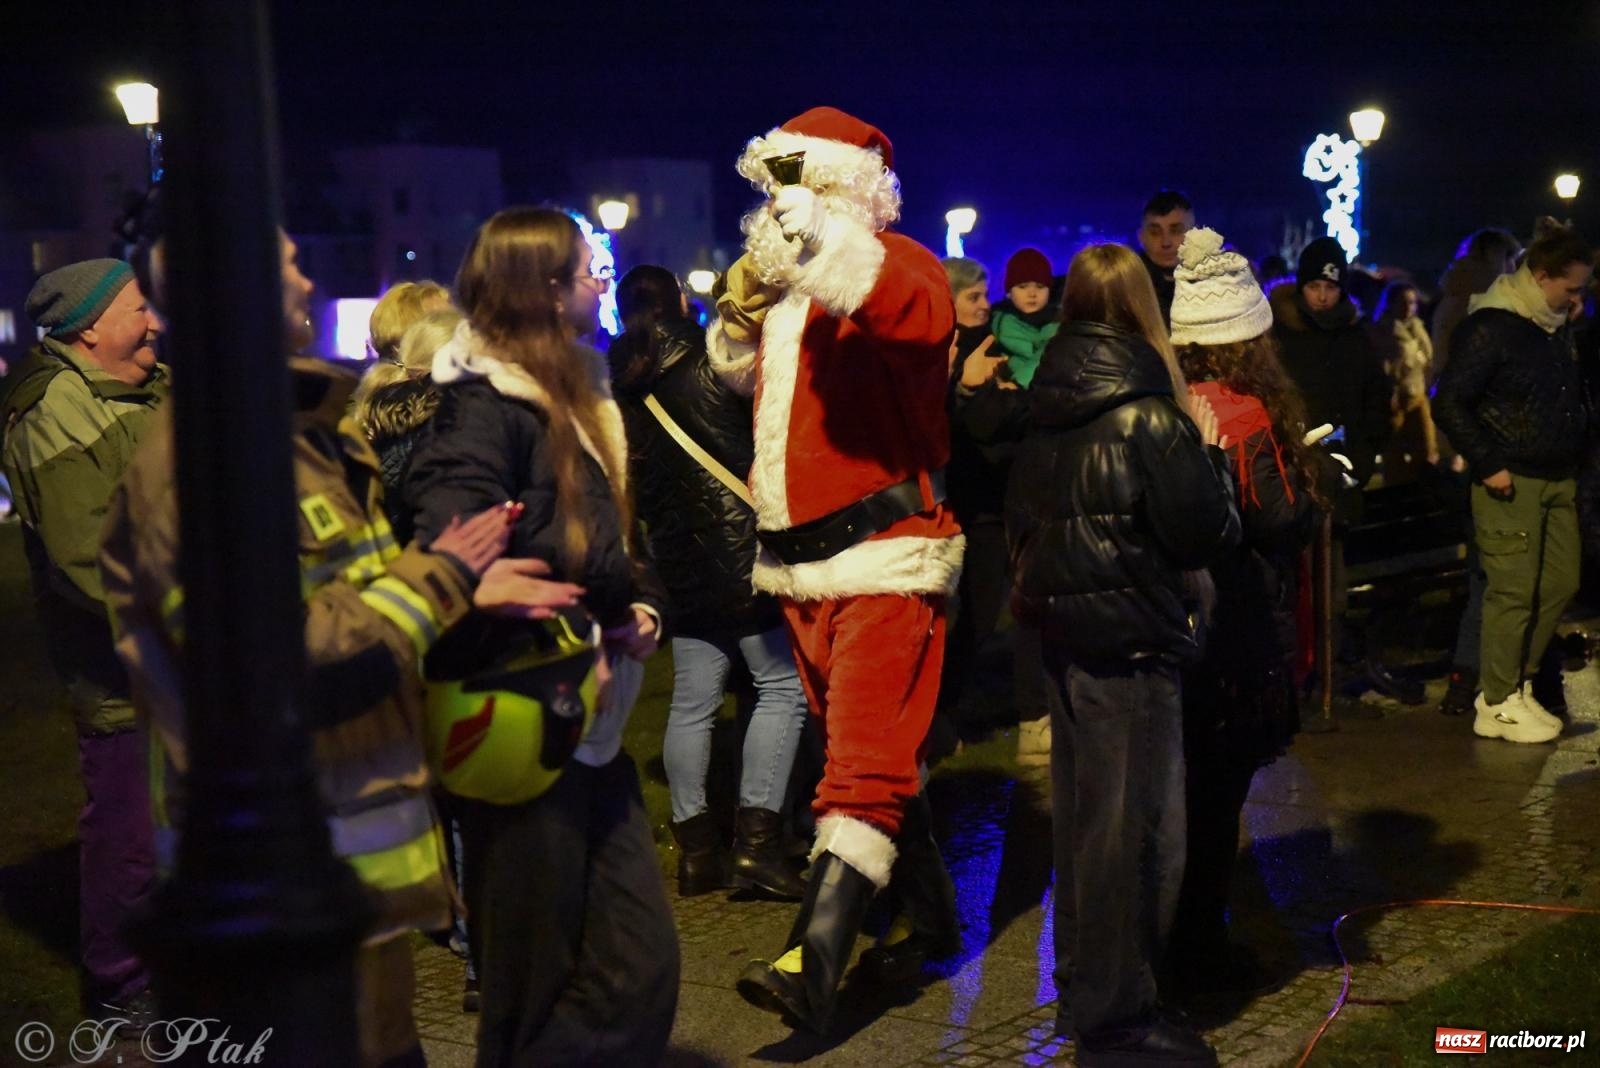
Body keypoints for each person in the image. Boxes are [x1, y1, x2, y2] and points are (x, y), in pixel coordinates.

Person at [99, 230, 561, 1067]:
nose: (309, 280)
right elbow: (278, 662)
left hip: (346, 893)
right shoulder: (202, 468)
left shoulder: (301, 439)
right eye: (286, 266)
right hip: (279, 902)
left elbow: (350, 599)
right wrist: (443, 575)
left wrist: (461, 587)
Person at [404, 207, 679, 1065]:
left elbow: (614, 540)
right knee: (528, 984)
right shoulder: (484, 406)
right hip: (523, 720)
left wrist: (636, 608)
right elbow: (447, 538)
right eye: (582, 269)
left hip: (587, 722)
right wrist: (492, 586)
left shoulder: (579, 390)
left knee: (641, 969)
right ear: (541, 290)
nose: (602, 278)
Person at [708, 106, 962, 1034]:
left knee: (856, 771)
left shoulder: (904, 269)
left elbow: (907, 307)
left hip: (887, 562)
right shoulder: (791, 304)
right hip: (800, 574)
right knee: (878, 754)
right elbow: (750, 386)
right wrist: (738, 313)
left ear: (850, 191)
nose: (788, 209)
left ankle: (809, 968)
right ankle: (931, 915)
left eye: (808, 189)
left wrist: (818, 236)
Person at [1007, 242, 1236, 1066]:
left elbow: (1023, 518)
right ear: (1145, 307)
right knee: (1137, 831)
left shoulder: (1048, 399)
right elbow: (1203, 531)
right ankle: (1121, 1020)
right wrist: (1209, 459)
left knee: (1083, 824)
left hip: (1065, 636)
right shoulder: (1148, 410)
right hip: (1133, 638)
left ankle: (1087, 991)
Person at [608, 263, 808, 901]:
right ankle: (758, 843)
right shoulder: (711, 362)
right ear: (677, 303)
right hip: (743, 552)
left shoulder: (619, 385)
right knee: (781, 687)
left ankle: (696, 852)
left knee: (692, 702)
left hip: (677, 564)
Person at [0, 258, 166, 1019]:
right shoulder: (54, 411)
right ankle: (120, 985)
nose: (155, 321)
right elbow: (85, 558)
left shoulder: (146, 387)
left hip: (183, 657)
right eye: (139, 308)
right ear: (90, 326)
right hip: (123, 670)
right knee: (127, 827)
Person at [1165, 228, 1320, 993]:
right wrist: (1319, 489)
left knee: (1179, 794)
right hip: (1237, 629)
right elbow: (1275, 522)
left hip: (1174, 624)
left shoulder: (1170, 401)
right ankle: (1199, 949)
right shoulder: (1250, 415)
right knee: (1217, 799)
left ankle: (1172, 938)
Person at [1434, 220, 1592, 744]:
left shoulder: (1550, 325)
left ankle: (1513, 685)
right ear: (1541, 276)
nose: (1579, 298)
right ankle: (1498, 699)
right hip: (1511, 480)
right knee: (1512, 591)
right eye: (1572, 288)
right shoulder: (1493, 326)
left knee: (1558, 583)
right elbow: (1449, 401)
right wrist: (1488, 463)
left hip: (1555, 477)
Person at [1271, 236, 1411, 702]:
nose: (1322, 296)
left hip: (1340, 474)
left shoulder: (1355, 336)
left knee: (1332, 583)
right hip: (1289, 475)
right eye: (1314, 285)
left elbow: (1375, 404)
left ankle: (1323, 675)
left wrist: (1362, 457)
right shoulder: (1281, 336)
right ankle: (1291, 677)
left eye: (1330, 287)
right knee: (1291, 583)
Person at [1431, 228, 1522, 385]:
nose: (1514, 269)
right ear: (1498, 259)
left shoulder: (1456, 294)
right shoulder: (1479, 302)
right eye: (1510, 258)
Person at [1370, 281, 1440, 472]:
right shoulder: (1383, 330)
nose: (1409, 307)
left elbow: (1427, 359)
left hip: (1418, 395)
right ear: (1391, 303)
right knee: (1395, 458)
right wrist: (1389, 390)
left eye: (1412, 302)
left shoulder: (1417, 328)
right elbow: (1381, 365)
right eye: (1404, 302)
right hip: (1395, 400)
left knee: (1427, 450)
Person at [988, 247, 1059, 388]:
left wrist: (1017, 384)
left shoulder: (1063, 323)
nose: (1032, 293)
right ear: (1009, 292)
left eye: (1040, 286)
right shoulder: (994, 325)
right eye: (1022, 286)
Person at [1136, 190, 1195, 325]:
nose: (1166, 242)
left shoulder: (1217, 284)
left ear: (1195, 234)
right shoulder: (1126, 287)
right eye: (1155, 233)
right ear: (1141, 237)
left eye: (1176, 231)